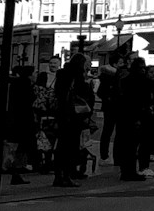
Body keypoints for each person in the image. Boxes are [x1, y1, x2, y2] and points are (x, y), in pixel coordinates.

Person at [116, 56, 154, 181]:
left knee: (130, 147)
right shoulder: (136, 81)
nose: (143, 70)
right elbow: (138, 100)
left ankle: (127, 171)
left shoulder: (129, 79)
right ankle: (129, 172)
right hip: (134, 117)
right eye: (141, 67)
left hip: (128, 116)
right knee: (131, 147)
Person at [51, 54, 94, 186]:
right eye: (88, 62)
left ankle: (59, 175)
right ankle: (66, 175)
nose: (90, 65)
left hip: (62, 114)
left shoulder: (62, 74)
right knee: (70, 146)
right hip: (73, 115)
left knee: (61, 146)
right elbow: (81, 93)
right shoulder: (77, 75)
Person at [4, 65, 38, 184]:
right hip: (23, 122)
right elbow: (28, 104)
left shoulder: (16, 84)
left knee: (16, 147)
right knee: (21, 148)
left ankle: (15, 170)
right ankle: (15, 169)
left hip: (16, 121)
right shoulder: (26, 86)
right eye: (35, 73)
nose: (36, 75)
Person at [97, 52, 127, 166]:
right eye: (120, 62)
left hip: (114, 106)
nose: (122, 64)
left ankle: (112, 156)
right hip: (112, 106)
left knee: (113, 132)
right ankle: (106, 156)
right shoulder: (109, 77)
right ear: (114, 64)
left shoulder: (119, 75)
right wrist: (109, 97)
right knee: (109, 131)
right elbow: (101, 92)